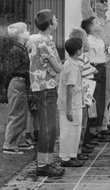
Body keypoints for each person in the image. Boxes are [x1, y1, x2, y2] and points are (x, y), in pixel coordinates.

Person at [27, 9, 65, 177]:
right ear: (50, 24)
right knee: (49, 127)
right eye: (54, 19)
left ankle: (48, 161)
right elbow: (57, 67)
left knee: (49, 126)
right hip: (46, 88)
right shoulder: (44, 42)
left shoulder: (39, 39)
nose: (56, 21)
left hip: (42, 87)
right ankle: (43, 164)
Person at [81, 0, 110, 134]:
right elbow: (83, 3)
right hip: (93, 64)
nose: (105, 2)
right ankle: (91, 127)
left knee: (107, 93)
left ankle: (103, 124)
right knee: (93, 94)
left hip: (108, 62)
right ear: (94, 5)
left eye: (106, 1)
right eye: (101, 1)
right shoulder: (91, 18)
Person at [2, 22, 33, 155]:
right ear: (20, 34)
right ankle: (9, 143)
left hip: (21, 83)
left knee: (21, 113)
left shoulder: (21, 48)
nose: (28, 33)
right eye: (26, 30)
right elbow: (12, 70)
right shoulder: (16, 50)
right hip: (17, 83)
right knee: (16, 114)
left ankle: (19, 141)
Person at [68, 27, 98, 158]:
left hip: (87, 88)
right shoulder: (80, 58)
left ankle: (82, 144)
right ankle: (78, 147)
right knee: (83, 120)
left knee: (86, 118)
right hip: (85, 89)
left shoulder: (81, 57)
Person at [81, 16, 110, 142]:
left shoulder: (100, 40)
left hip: (102, 67)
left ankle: (98, 127)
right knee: (92, 100)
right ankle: (91, 130)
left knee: (100, 99)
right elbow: (86, 57)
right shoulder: (87, 40)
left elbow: (103, 56)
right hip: (93, 69)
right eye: (97, 23)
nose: (100, 25)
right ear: (92, 28)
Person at [58, 38, 85, 168]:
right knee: (70, 131)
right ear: (77, 50)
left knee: (73, 131)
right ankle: (66, 157)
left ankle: (71, 155)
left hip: (73, 103)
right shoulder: (72, 67)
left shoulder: (71, 63)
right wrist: (69, 108)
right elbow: (70, 88)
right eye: (81, 47)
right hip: (72, 105)